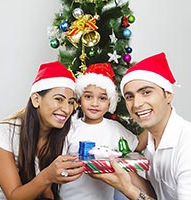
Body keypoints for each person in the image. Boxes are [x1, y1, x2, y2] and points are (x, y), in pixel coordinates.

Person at [92, 52, 191, 200]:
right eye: (130, 97)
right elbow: (158, 195)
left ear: (168, 95)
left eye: (146, 92)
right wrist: (124, 173)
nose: (137, 104)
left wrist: (128, 189)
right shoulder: (152, 142)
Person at [0, 61, 84, 200]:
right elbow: (14, 196)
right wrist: (47, 176)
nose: (66, 109)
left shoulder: (63, 135)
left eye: (71, 102)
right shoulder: (2, 133)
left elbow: (47, 194)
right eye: (59, 99)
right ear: (36, 100)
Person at [59, 63, 148, 200]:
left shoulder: (115, 128)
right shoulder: (70, 127)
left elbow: (138, 144)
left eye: (102, 98)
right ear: (80, 99)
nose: (95, 103)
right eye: (88, 97)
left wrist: (154, 124)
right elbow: (57, 163)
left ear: (109, 103)